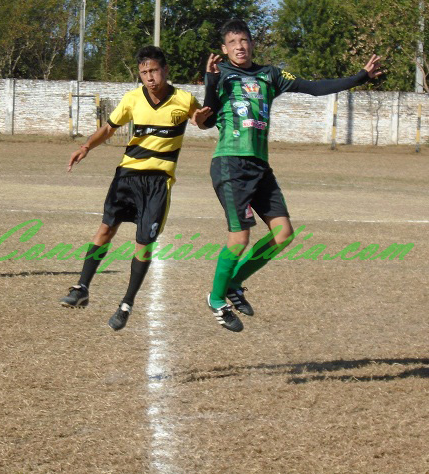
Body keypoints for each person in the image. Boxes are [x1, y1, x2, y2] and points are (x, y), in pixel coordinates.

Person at [198, 18, 383, 332]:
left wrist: (360, 77)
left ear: (251, 43)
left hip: (259, 165)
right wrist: (210, 82)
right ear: (224, 49)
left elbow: (313, 88)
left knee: (283, 233)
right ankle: (216, 299)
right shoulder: (221, 74)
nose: (239, 47)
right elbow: (208, 118)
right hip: (230, 163)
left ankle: (234, 283)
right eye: (232, 43)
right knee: (240, 238)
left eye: (244, 40)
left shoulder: (270, 74)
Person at [62, 45, 210, 331]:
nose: (150, 77)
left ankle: (126, 304)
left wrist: (201, 121)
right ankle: (81, 288)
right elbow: (109, 128)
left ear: (165, 70)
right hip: (127, 175)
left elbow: (200, 120)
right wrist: (86, 147)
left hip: (158, 182)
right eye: (144, 73)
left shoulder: (183, 99)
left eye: (154, 70)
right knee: (106, 229)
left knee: (144, 243)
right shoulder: (132, 99)